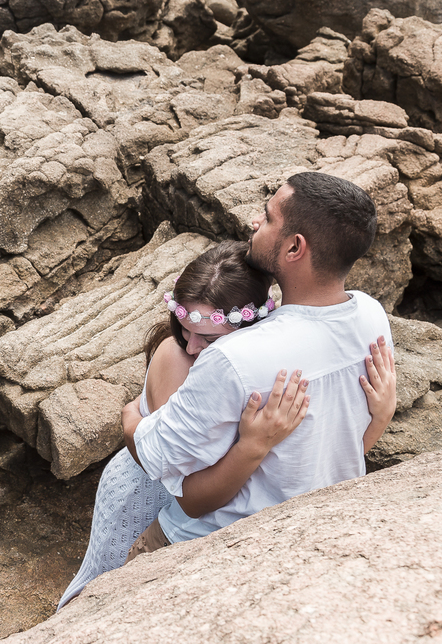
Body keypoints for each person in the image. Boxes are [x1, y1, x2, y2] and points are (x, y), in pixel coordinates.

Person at [126, 171, 396, 554]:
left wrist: (129, 420)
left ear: (293, 248)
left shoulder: (234, 359)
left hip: (203, 545)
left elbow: (181, 488)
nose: (255, 223)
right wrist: (382, 417)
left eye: (269, 218)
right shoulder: (371, 316)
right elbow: (335, 452)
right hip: (312, 537)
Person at [57, 240, 310, 610]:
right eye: (185, 327)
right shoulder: (177, 358)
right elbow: (181, 468)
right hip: (146, 487)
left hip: (194, 498)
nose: (191, 346)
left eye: (207, 337)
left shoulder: (261, 354)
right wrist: (131, 423)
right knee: (101, 591)